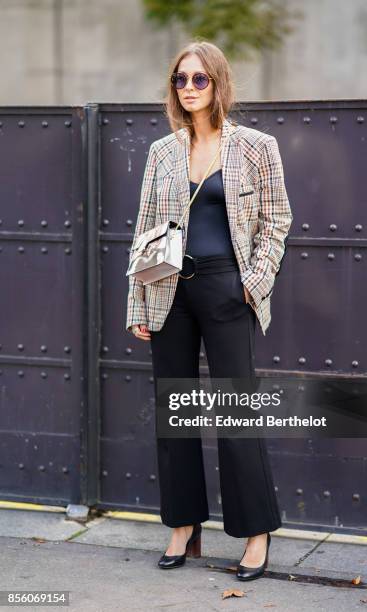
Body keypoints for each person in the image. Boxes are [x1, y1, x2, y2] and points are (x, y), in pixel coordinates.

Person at [126, 40, 293, 581]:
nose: (190, 88)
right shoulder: (162, 152)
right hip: (170, 290)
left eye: (200, 79)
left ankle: (255, 532)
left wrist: (254, 282)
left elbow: (278, 221)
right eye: (181, 79)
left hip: (228, 288)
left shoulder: (256, 147)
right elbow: (145, 230)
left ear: (218, 82)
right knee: (175, 414)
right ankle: (182, 525)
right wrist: (139, 302)